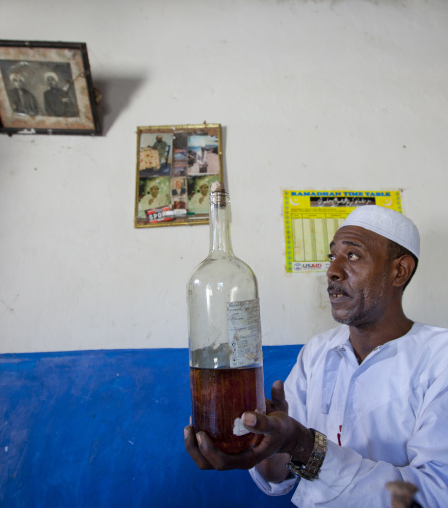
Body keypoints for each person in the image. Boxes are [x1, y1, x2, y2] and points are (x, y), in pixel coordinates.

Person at [185, 205, 448, 507]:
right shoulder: (318, 352)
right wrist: (270, 444)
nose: (332, 271)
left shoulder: (440, 360)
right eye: (331, 256)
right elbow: (278, 477)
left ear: (399, 271)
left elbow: (434, 494)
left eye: (352, 255)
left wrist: (306, 447)